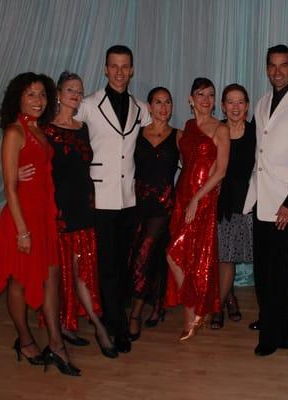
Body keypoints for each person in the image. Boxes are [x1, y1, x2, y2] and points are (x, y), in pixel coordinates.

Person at [19, 72, 118, 358]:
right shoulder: (45, 129)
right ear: (59, 94)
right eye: (71, 89)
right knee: (62, 273)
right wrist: (15, 173)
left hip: (84, 207)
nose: (76, 94)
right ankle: (92, 328)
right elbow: (27, 158)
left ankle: (68, 324)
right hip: (58, 210)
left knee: (80, 273)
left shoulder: (84, 127)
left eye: (80, 90)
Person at [0, 72, 80, 375]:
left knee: (52, 280)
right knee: (19, 282)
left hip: (45, 218)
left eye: (42, 94)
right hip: (23, 220)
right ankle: (25, 338)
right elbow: (9, 186)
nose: (37, 100)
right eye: (31, 94)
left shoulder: (39, 130)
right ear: (18, 97)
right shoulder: (14, 131)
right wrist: (22, 231)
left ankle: (56, 344)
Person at [243, 44, 288, 356]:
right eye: (272, 66)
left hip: (283, 203)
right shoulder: (262, 103)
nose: (277, 71)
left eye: (283, 65)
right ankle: (269, 319)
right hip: (261, 197)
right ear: (266, 68)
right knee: (262, 266)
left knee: (276, 270)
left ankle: (274, 336)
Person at [76, 45, 150, 353]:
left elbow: (156, 141)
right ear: (105, 69)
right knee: (106, 265)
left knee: (124, 264)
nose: (119, 72)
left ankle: (115, 317)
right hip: (101, 196)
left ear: (132, 70)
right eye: (114, 66)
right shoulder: (89, 105)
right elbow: (64, 133)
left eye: (125, 66)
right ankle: (115, 326)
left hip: (128, 198)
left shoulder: (140, 107)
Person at [166, 78, 230, 341]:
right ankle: (192, 314)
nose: (206, 99)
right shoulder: (188, 127)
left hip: (202, 200)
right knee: (184, 257)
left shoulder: (220, 129)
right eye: (200, 94)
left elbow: (221, 171)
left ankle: (194, 311)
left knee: (175, 253)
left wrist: (197, 198)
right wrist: (184, 196)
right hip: (184, 195)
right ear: (190, 99)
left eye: (210, 95)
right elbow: (187, 164)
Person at [128, 87, 181, 341]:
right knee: (151, 256)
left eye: (168, 102)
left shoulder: (179, 136)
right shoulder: (136, 134)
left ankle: (135, 314)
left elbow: (201, 160)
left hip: (164, 206)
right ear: (149, 106)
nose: (163, 107)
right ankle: (157, 305)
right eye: (158, 102)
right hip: (136, 203)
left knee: (145, 252)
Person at [210, 84, 256, 329]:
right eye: (230, 102)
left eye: (240, 102)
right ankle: (221, 304)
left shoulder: (256, 132)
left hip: (245, 202)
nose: (235, 107)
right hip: (220, 200)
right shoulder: (218, 130)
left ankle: (228, 298)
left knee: (229, 255)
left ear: (247, 105)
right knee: (224, 257)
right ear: (223, 106)